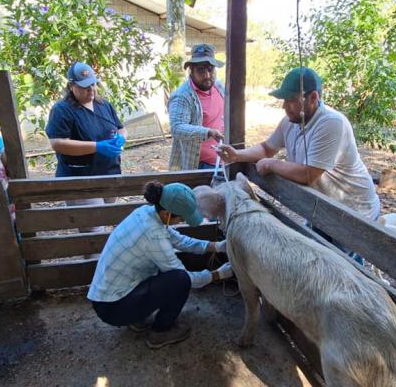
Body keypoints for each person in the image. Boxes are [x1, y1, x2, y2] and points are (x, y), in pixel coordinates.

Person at [216, 67, 380, 264]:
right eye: (284, 100)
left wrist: (272, 164)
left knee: (346, 268)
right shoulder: (290, 121)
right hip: (323, 207)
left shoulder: (331, 123)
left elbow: (308, 174)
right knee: (320, 260)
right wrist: (237, 156)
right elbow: (267, 148)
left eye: (291, 99)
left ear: (313, 97)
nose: (285, 106)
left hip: (353, 210)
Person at [88, 181, 233, 349]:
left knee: (166, 270)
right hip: (113, 308)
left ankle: (135, 317)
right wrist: (219, 274)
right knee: (179, 280)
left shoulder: (146, 213)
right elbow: (186, 279)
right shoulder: (153, 235)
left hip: (109, 296)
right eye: (181, 218)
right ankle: (160, 332)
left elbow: (179, 240)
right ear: (167, 214)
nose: (181, 221)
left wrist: (215, 246)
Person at [45, 62, 127, 232]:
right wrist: (97, 147)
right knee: (93, 231)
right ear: (71, 86)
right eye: (84, 87)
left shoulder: (103, 104)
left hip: (110, 173)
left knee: (109, 223)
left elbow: (121, 127)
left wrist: (121, 138)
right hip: (81, 178)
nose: (90, 90)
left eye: (92, 84)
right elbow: (58, 143)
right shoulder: (62, 109)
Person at [168, 43, 226, 171]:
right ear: (191, 71)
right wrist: (208, 132)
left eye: (210, 69)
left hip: (224, 160)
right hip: (199, 165)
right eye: (201, 70)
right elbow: (177, 128)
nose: (207, 75)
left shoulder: (219, 87)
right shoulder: (182, 96)